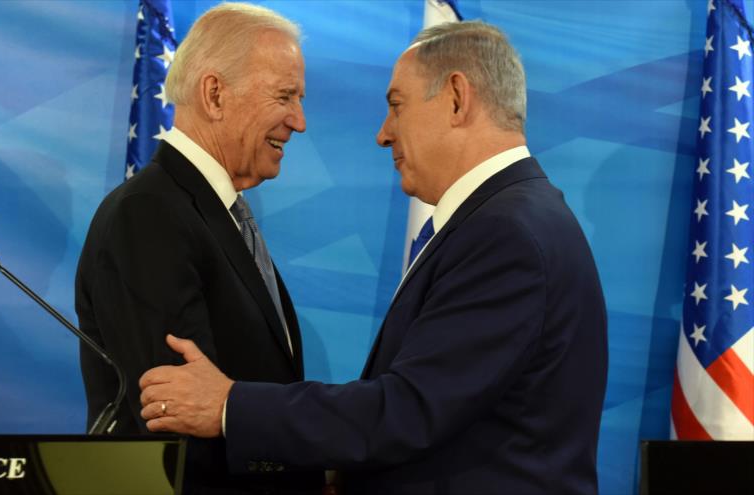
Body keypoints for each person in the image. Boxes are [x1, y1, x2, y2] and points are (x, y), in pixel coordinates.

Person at [138, 19, 609, 495]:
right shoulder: (512, 218)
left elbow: (409, 409)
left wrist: (227, 406)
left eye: (396, 106)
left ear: (456, 98)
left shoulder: (506, 234)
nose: (383, 135)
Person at [75, 3, 321, 493]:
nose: (299, 120)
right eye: (285, 96)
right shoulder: (150, 213)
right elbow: (176, 424)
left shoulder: (214, 212)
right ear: (214, 94)